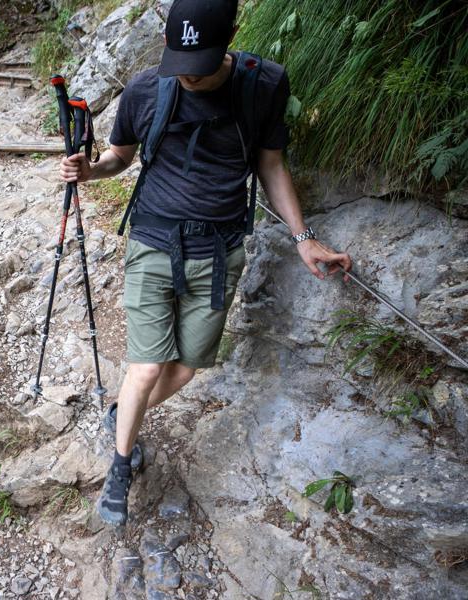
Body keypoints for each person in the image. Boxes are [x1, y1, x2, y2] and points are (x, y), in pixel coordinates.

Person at [59, 0, 352, 527]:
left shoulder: (262, 86)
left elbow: (270, 163)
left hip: (219, 251)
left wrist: (303, 237)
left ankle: (121, 414)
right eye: (181, 63)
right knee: (146, 367)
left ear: (230, 39)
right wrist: (89, 171)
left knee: (187, 366)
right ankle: (121, 463)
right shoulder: (148, 88)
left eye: (200, 65)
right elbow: (120, 158)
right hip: (154, 238)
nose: (188, 76)